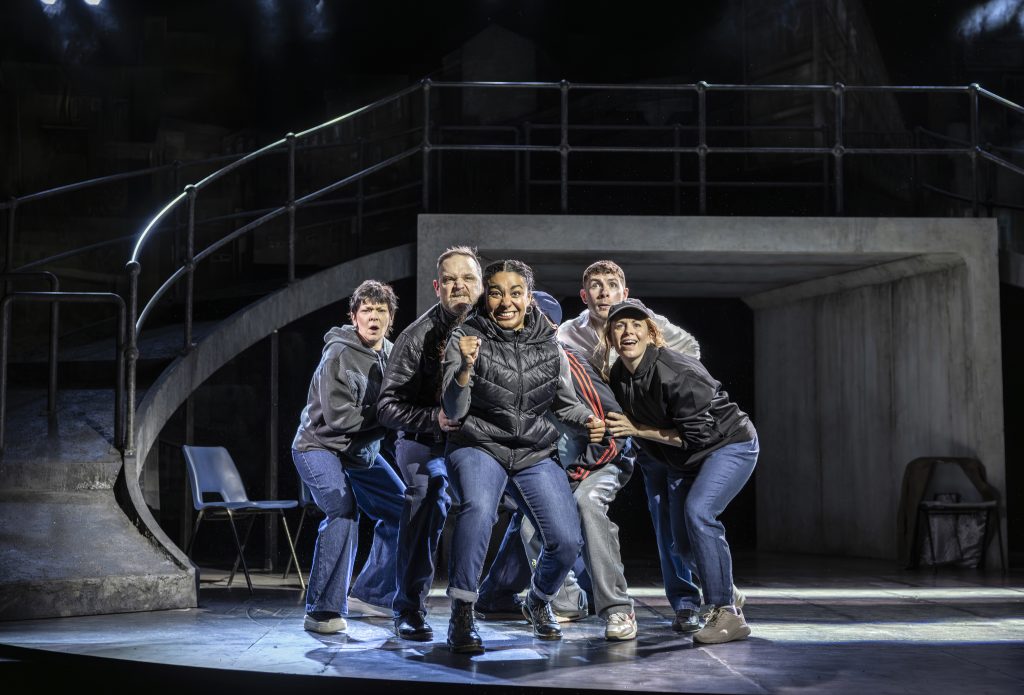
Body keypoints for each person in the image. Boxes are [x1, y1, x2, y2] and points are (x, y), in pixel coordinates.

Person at [441, 260, 603, 653]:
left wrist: (590, 419)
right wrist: (464, 367)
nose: (506, 301)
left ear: (529, 298)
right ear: (487, 297)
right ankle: (462, 611)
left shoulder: (550, 345)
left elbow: (565, 402)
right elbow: (453, 407)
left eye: (516, 292)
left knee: (566, 540)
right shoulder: (466, 335)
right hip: (479, 443)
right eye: (496, 292)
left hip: (532, 449)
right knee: (478, 510)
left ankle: (539, 600)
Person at [557, 260, 714, 633]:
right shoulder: (569, 333)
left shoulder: (642, 321)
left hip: (649, 433)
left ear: (624, 292)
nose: (604, 292)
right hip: (604, 436)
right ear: (584, 295)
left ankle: (689, 600)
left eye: (611, 285)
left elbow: (690, 350)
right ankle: (584, 599)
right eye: (595, 286)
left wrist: (646, 384)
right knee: (563, 501)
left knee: (667, 518)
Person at [478, 291, 638, 640]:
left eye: (529, 316)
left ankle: (618, 609)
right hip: (561, 469)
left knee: (587, 505)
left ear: (549, 326)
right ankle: (565, 602)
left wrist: (576, 474)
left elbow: (611, 427)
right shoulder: (511, 366)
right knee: (531, 526)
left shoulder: (570, 362)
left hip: (603, 459)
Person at [604, 298, 758, 645]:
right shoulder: (618, 375)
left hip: (728, 445)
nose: (628, 331)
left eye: (636, 324)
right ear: (611, 337)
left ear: (651, 332)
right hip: (684, 461)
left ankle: (725, 612)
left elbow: (696, 436)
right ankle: (725, 590)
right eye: (619, 326)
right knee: (684, 549)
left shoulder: (676, 369)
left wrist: (636, 429)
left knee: (700, 513)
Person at [376, 246, 483, 641]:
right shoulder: (416, 335)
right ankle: (408, 607)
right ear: (438, 287)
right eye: (451, 280)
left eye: (468, 278)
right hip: (425, 440)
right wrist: (432, 419)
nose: (460, 286)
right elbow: (387, 407)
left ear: (481, 285)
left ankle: (503, 594)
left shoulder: (496, 326)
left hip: (478, 442)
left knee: (523, 496)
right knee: (429, 494)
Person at [291, 280, 406, 634]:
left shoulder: (392, 354)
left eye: (381, 311)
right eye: (367, 311)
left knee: (404, 509)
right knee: (343, 510)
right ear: (353, 317)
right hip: (318, 447)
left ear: (391, 318)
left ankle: (371, 593)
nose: (374, 317)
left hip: (359, 452)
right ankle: (321, 610)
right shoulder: (337, 354)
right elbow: (340, 419)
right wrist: (389, 416)